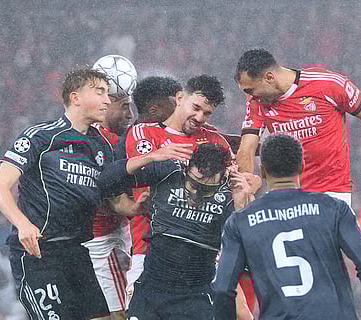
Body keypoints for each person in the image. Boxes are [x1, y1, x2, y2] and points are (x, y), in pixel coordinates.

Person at [212, 134, 361, 320]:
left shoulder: (240, 222)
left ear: (263, 172)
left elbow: (223, 288)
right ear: (302, 167)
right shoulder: (333, 209)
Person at [125, 74, 254, 319]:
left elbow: (239, 183)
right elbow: (141, 173)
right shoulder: (145, 134)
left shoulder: (215, 141)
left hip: (203, 254)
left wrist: (248, 181)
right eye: (196, 108)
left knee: (243, 314)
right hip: (152, 250)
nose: (199, 117)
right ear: (180, 98)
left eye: (206, 113)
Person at [235, 48, 361, 205]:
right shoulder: (257, 103)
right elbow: (247, 147)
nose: (249, 96)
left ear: (269, 78)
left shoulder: (328, 84)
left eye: (250, 89)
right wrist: (246, 182)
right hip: (289, 192)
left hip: (332, 193)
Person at [0, 68, 113, 320]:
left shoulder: (102, 147)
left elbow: (110, 201)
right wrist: (23, 225)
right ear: (75, 97)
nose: (107, 100)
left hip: (78, 252)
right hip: (39, 254)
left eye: (108, 94)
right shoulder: (41, 136)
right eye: (100, 92)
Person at [98, 142, 253, 319]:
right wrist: (149, 158)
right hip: (153, 289)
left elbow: (244, 253)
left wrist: (241, 205)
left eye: (205, 189)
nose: (195, 192)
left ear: (222, 176)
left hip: (197, 294)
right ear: (188, 168)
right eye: (192, 183)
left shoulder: (232, 190)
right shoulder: (170, 170)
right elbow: (106, 181)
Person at [82, 55, 139, 320]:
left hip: (97, 241)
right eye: (125, 106)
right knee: (119, 315)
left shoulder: (88, 134)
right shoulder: (107, 142)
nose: (130, 114)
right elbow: (109, 199)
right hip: (104, 242)